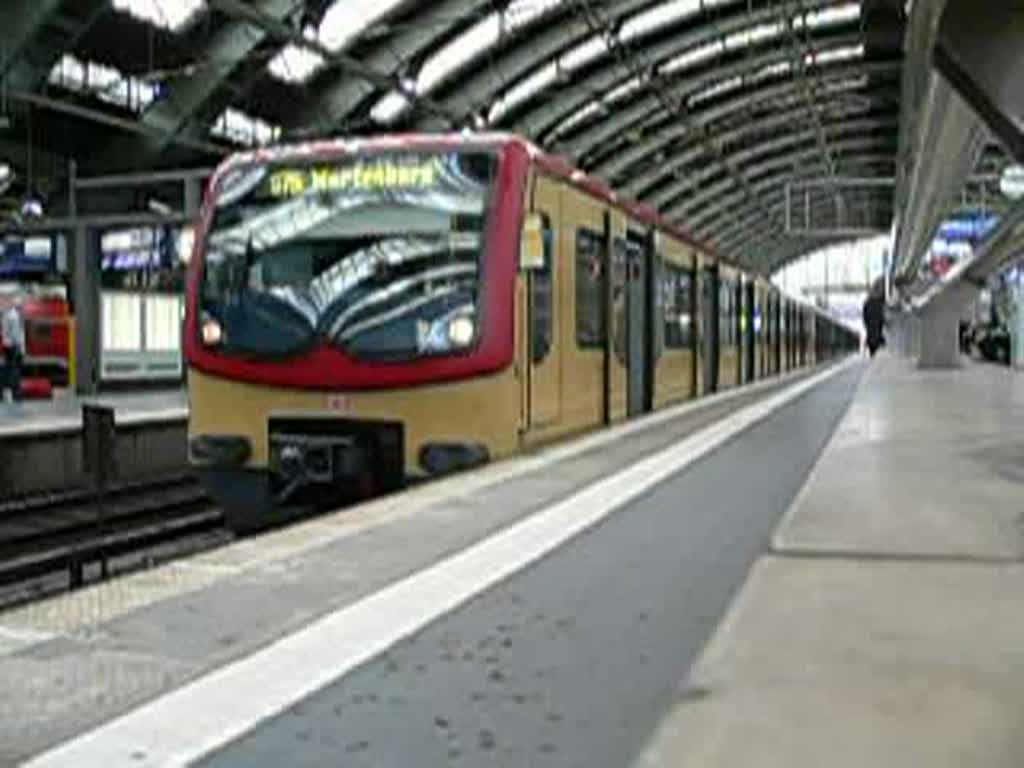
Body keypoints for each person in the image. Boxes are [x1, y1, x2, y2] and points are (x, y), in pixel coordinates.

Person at [1, 295, 26, 401]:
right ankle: (16, 393)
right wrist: (20, 348)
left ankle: (11, 392)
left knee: (9, 370)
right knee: (14, 371)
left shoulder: (9, 315)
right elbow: (16, 335)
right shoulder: (13, 316)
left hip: (10, 346)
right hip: (13, 347)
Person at [862, 283, 886, 358]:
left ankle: (873, 352)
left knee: (872, 336)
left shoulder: (868, 302)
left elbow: (864, 313)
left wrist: (866, 322)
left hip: (872, 322)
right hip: (875, 322)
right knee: (875, 336)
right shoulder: (879, 301)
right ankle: (874, 351)